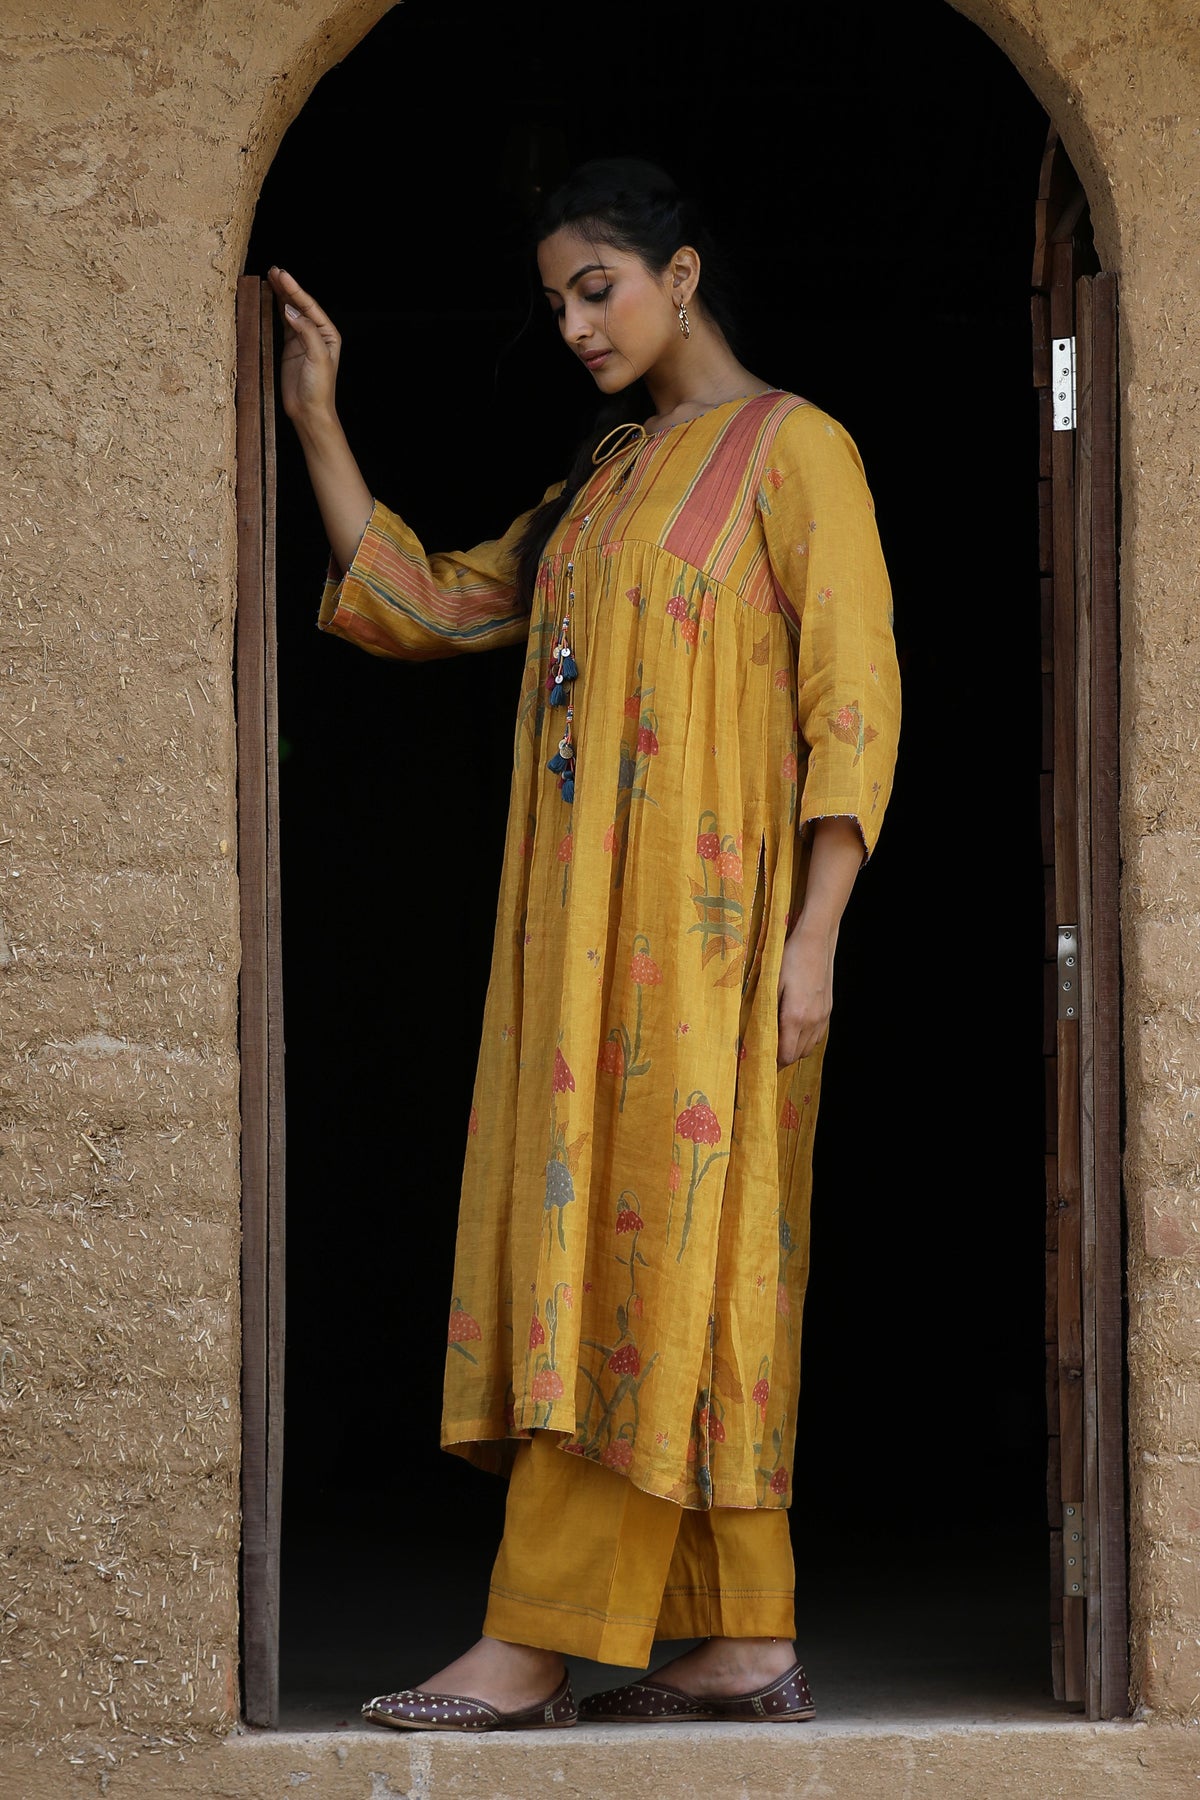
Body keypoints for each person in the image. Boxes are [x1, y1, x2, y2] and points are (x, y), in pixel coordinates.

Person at [268, 156, 900, 1733]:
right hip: (576, 952)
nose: (571, 323)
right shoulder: (605, 477)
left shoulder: (796, 450)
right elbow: (434, 604)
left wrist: (815, 936)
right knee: (638, 1258)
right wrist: (317, 421)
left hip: (715, 947)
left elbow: (855, 700)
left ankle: (534, 1637)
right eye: (554, 300)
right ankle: (745, 1637)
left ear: (681, 275)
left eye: (596, 287)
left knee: (663, 1257)